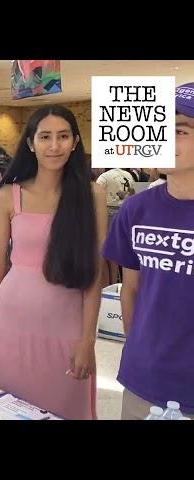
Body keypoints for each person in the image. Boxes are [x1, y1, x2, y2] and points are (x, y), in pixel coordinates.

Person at [0, 105, 107, 420]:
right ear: (31, 143)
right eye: (45, 136)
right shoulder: (9, 194)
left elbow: (95, 273)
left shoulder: (92, 195)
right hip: (10, 325)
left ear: (75, 141)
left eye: (63, 136)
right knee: (10, 409)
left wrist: (88, 340)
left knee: (67, 409)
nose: (54, 145)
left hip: (66, 328)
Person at [101, 82, 194, 420]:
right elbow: (132, 287)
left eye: (179, 130)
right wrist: (137, 344)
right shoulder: (136, 210)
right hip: (144, 379)